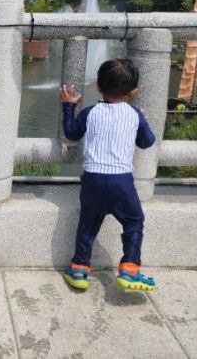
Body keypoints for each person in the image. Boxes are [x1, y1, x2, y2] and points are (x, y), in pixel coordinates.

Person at [59, 58, 157, 292]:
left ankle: (79, 269)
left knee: (88, 224)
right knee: (134, 222)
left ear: (99, 88)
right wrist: (143, 121)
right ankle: (129, 269)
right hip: (121, 181)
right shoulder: (135, 115)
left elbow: (71, 133)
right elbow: (147, 142)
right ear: (133, 92)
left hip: (92, 179)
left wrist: (69, 106)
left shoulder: (91, 113)